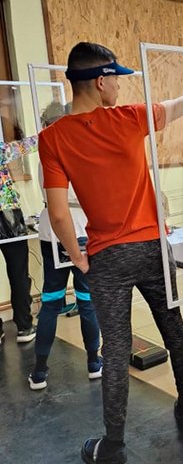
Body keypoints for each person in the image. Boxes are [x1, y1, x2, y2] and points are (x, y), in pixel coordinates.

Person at [39, 42, 183, 464]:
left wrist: (78, 258)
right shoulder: (130, 118)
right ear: (100, 82)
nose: (119, 86)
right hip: (152, 247)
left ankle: (113, 448)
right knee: (174, 329)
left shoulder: (52, 138)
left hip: (106, 257)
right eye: (116, 79)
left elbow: (58, 214)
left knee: (116, 350)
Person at [28, 101, 102, 391]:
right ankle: (94, 363)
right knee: (86, 300)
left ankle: (39, 372)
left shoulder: (44, 155)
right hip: (81, 229)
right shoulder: (81, 150)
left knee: (51, 301)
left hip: (52, 232)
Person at [0, 125, 37, 345]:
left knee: (18, 273)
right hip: (8, 215)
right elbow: (25, 146)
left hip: (8, 215)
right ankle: (24, 326)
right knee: (18, 273)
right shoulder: (2, 151)